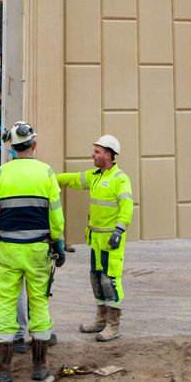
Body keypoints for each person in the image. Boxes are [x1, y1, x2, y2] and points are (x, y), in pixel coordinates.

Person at [0, 121, 66, 382]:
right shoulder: (47, 173)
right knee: (39, 303)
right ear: (34, 145)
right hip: (39, 250)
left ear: (12, 148)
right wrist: (58, 243)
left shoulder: (1, 174)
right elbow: (56, 216)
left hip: (8, 251)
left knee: (6, 304)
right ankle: (40, 367)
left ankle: (3, 369)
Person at [56, 134, 134, 342]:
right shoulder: (94, 176)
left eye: (97, 151)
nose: (93, 154)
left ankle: (113, 325)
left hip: (111, 240)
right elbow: (72, 179)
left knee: (109, 281)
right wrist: (48, 177)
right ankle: (100, 320)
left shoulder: (120, 179)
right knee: (96, 279)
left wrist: (119, 230)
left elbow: (127, 207)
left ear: (108, 155)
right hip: (96, 240)